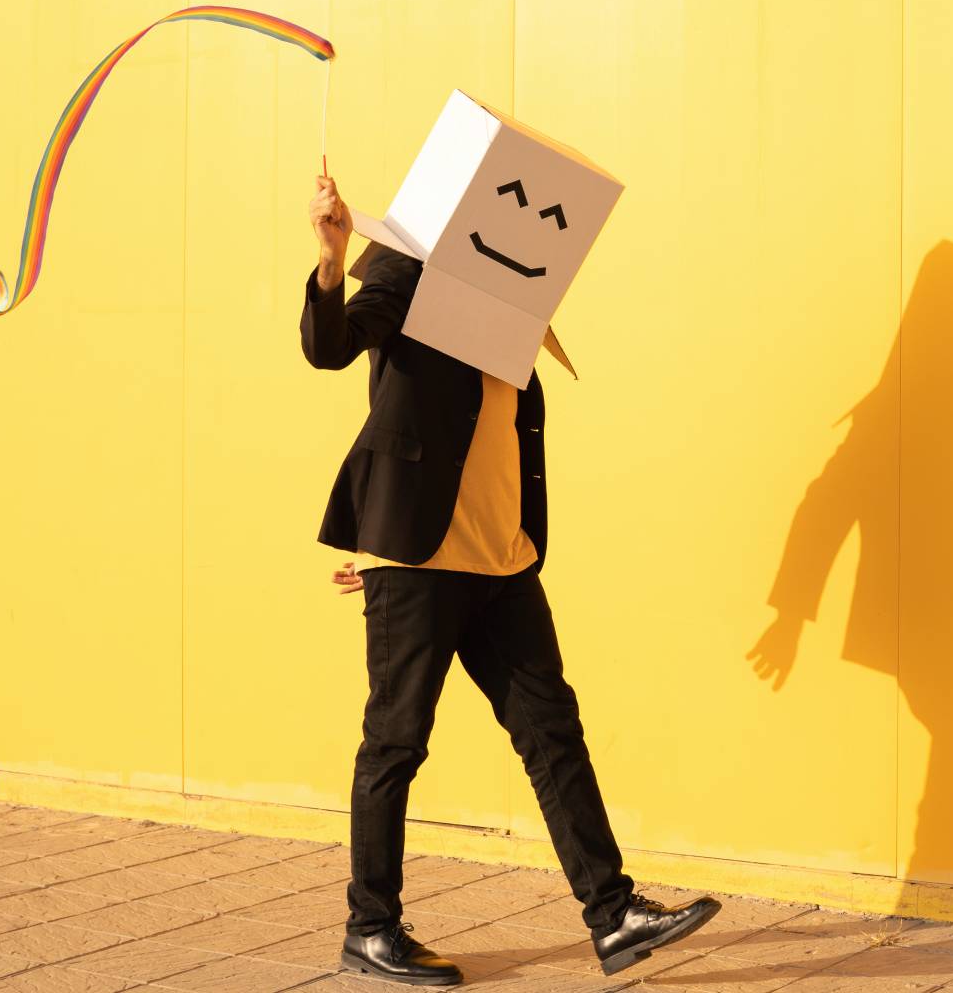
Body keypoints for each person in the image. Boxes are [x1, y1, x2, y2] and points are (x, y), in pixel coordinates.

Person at [301, 175, 719, 985]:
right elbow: (332, 347)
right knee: (395, 742)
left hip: (503, 557)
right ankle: (371, 927)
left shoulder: (514, 291)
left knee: (552, 732)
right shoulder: (407, 263)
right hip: (420, 562)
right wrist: (329, 258)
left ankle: (614, 916)